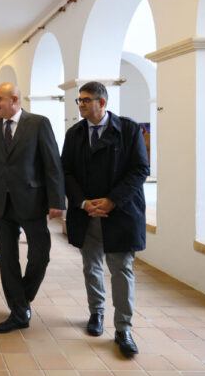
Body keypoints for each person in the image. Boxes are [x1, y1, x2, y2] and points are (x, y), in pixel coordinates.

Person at [61, 81, 149, 357]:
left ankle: (123, 328)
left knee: (122, 270)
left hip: (119, 212)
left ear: (102, 102)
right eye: (79, 100)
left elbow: (139, 169)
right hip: (87, 213)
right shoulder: (74, 134)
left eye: (86, 100)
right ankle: (96, 313)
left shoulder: (129, 129)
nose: (81, 104)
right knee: (92, 266)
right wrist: (84, 202)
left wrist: (112, 200)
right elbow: (67, 172)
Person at [0, 83, 65, 333]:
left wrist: (56, 201)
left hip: (32, 202)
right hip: (1, 204)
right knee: (7, 259)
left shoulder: (38, 123)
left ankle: (23, 297)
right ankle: (19, 312)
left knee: (40, 254)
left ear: (14, 99)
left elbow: (52, 164)